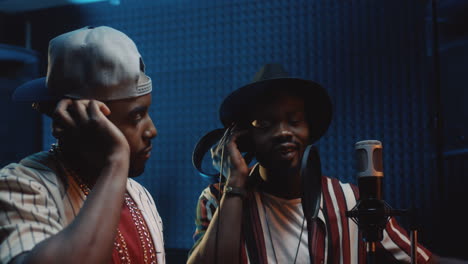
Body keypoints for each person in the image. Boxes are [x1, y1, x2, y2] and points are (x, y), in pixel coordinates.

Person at [187, 64, 463, 264]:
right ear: (244, 139)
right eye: (266, 124)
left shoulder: (350, 200)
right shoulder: (215, 200)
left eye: (294, 121)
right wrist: (234, 184)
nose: (284, 132)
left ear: (310, 130)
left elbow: (425, 260)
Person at [0, 26, 164, 264]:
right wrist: (117, 159)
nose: (152, 130)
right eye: (136, 117)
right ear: (78, 119)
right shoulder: (21, 186)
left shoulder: (139, 195)